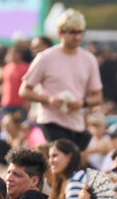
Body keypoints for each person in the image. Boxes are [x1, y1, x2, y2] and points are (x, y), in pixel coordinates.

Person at [19, 8, 103, 150]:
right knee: (61, 155)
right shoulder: (45, 57)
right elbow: (24, 91)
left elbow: (98, 97)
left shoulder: (89, 59)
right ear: (61, 33)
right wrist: (48, 100)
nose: (77, 37)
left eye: (80, 32)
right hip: (51, 120)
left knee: (72, 161)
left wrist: (82, 103)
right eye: (72, 32)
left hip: (76, 123)